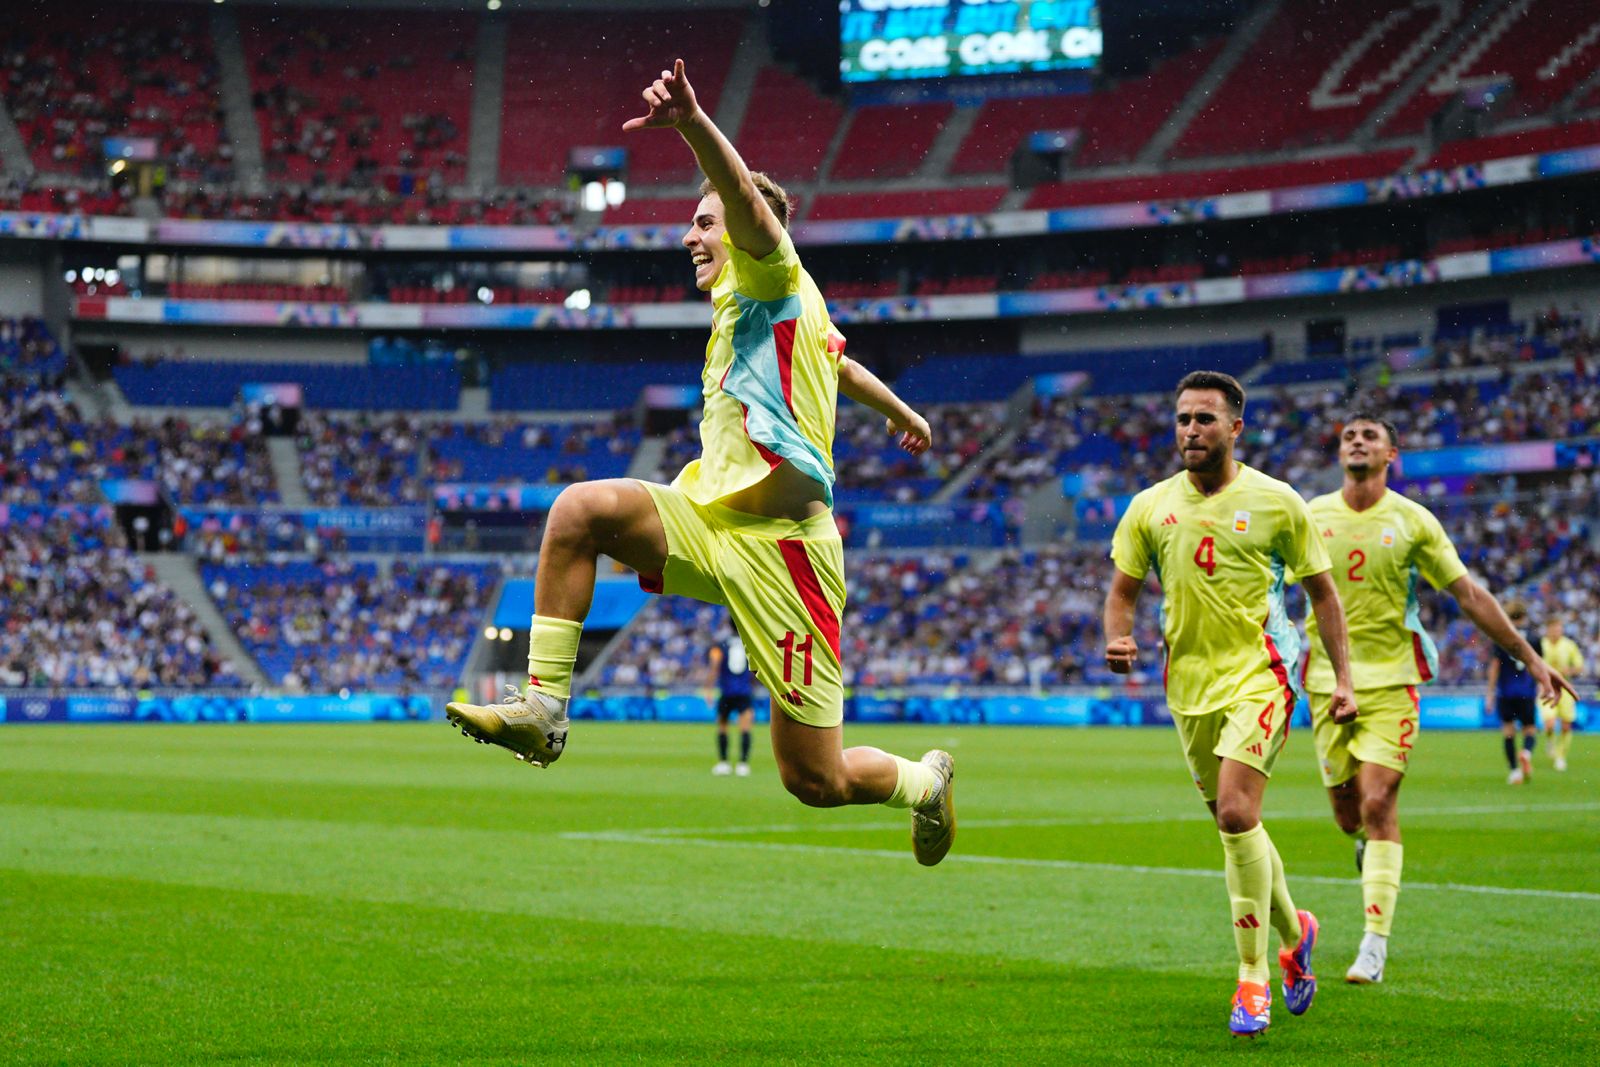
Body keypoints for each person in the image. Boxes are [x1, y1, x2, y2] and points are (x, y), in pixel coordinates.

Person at [445, 59, 957, 866]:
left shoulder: (774, 269)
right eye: (695, 222)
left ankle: (925, 783)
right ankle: (545, 707)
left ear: (752, 234)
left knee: (813, 779)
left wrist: (690, 124)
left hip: (789, 555)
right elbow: (839, 361)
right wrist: (904, 413)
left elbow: (750, 205)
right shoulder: (761, 306)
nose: (692, 234)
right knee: (579, 510)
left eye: (705, 222)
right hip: (711, 518)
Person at [1104, 370, 1350, 1037]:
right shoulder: (1150, 505)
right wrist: (1118, 633)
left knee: (1239, 811)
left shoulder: (1277, 501)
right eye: (1184, 418)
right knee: (1235, 826)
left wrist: (1344, 678)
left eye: (1205, 419)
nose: (1191, 429)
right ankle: (1296, 930)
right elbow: (1123, 588)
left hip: (1261, 673)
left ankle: (1252, 977)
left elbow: (1324, 593)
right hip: (1187, 685)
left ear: (1235, 428)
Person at [1303, 414, 1574, 987]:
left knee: (1378, 805)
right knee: (1348, 815)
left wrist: (1529, 655)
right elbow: (1267, 583)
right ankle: (1367, 851)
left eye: (1369, 436)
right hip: (1326, 684)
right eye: (1349, 435)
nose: (1357, 441)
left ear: (1391, 454)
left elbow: (1469, 595)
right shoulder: (1310, 516)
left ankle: (1373, 945)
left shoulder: (1412, 521)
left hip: (1395, 681)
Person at [1488, 600, 1552, 785]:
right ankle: (1526, 752)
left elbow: (1494, 667)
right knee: (1530, 730)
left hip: (1505, 692)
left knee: (1508, 732)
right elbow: (1539, 665)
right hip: (1526, 692)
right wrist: (1542, 686)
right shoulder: (1533, 638)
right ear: (1524, 616)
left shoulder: (1501, 636)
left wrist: (1490, 693)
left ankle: (1515, 771)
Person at [1539, 613, 1584, 772]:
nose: (1556, 631)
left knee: (1565, 726)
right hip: (1546, 688)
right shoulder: (1541, 644)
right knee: (1550, 724)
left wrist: (1570, 670)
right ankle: (1550, 740)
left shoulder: (1569, 645)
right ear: (1548, 630)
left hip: (1564, 689)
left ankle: (1560, 757)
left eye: (1559, 628)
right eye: (1553, 628)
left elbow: (1579, 667)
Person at [709, 629, 755, 776]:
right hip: (744, 691)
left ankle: (724, 763)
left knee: (722, 726)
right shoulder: (749, 642)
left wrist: (708, 688)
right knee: (745, 727)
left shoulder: (721, 644)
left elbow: (715, 667)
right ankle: (743, 764)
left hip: (726, 691)